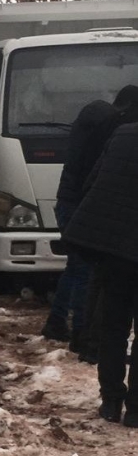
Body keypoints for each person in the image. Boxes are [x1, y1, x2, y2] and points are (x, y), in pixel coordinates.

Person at [44, 86, 138, 357]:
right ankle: (83, 337)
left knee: (76, 269)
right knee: (87, 275)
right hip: (81, 206)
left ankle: (57, 322)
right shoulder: (107, 127)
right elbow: (95, 177)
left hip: (70, 202)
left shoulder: (92, 123)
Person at [64, 118, 138, 426]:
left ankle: (110, 400)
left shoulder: (121, 133)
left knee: (113, 326)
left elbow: (91, 183)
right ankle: (135, 411)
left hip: (114, 250)